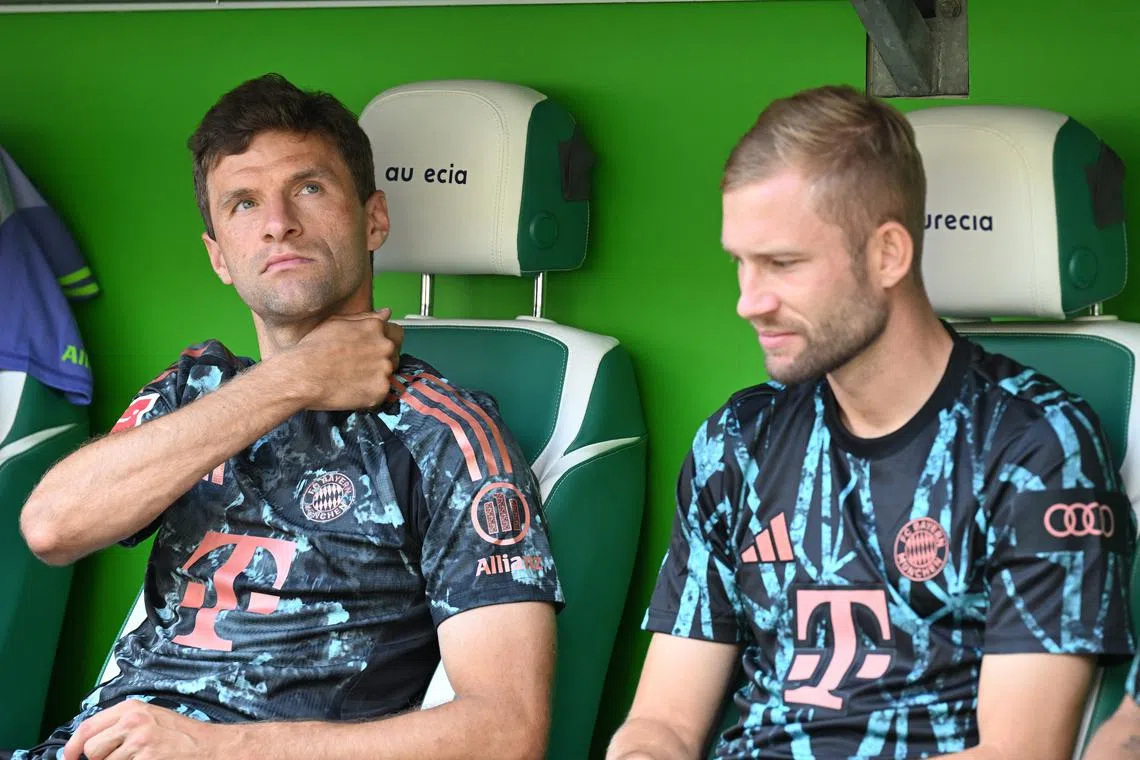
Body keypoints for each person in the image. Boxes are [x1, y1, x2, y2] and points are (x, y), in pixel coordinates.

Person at [14, 73, 562, 760]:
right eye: (243, 203)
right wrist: (293, 380)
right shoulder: (197, 391)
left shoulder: (445, 436)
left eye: (308, 187)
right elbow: (50, 526)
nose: (278, 222)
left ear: (375, 219)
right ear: (218, 256)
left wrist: (215, 749)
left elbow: (508, 732)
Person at [606, 85, 1133, 759]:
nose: (748, 301)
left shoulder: (1034, 446)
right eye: (739, 262)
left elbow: (1019, 753)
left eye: (783, 264)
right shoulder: (735, 443)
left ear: (888, 254)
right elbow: (663, 722)